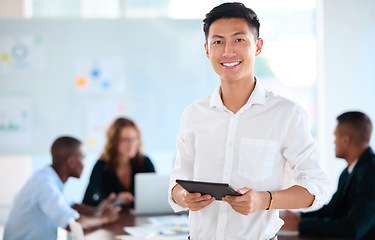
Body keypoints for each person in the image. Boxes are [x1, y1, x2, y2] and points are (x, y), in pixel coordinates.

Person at [168, 2, 329, 239]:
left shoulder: (286, 114)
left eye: (239, 40)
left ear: (258, 46)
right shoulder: (193, 115)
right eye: (218, 42)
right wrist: (184, 197)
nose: (227, 52)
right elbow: (177, 182)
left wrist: (265, 200)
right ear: (207, 50)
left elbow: (317, 187)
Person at [3, 136, 120, 240]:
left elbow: (70, 205)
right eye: (83, 158)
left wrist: (98, 209)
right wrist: (104, 218)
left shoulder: (48, 177)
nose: (85, 164)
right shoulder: (45, 185)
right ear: (71, 161)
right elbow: (73, 224)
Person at [281, 111, 375, 239]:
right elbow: (332, 210)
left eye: (335, 136)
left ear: (346, 140)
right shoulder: (349, 171)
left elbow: (352, 228)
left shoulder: (371, 172)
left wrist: (301, 225)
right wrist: (300, 217)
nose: (334, 142)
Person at [83, 117, 155, 207]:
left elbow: (155, 196)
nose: (131, 144)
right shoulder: (101, 166)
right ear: (114, 142)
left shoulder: (145, 162)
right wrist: (115, 200)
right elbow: (87, 202)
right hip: (111, 219)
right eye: (126, 140)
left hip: (140, 218)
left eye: (135, 139)